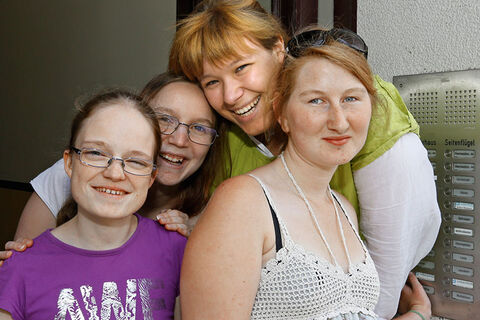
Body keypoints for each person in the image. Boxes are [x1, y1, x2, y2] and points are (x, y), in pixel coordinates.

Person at [169, 1, 440, 318]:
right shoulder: (239, 186)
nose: (230, 95)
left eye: (241, 68)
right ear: (284, 116)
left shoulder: (343, 209)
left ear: (278, 50)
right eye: (211, 81)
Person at [0, 72, 224, 265]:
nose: (180, 140)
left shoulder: (212, 212)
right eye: (165, 118)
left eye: (199, 128)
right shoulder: (81, 171)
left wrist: (193, 239)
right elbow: (24, 266)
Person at [0, 89, 187, 319]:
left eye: (136, 161)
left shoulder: (178, 250)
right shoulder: (20, 267)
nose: (115, 173)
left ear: (151, 177)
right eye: (96, 153)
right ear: (69, 163)